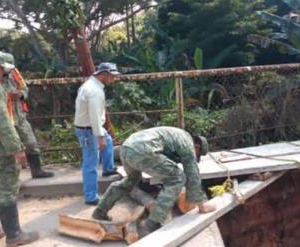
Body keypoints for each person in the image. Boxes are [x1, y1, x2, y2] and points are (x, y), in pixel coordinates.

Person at [92, 126, 216, 237]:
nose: (195, 157)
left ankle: (100, 211)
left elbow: (164, 162)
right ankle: (152, 224)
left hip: (126, 148)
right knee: (177, 178)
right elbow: (192, 173)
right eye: (197, 155)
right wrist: (201, 206)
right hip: (143, 150)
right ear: (197, 147)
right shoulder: (187, 144)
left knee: (130, 181)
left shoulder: (177, 135)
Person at [0, 50, 38, 246]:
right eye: (2, 69)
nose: (4, 74)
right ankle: (14, 235)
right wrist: (17, 149)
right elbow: (3, 122)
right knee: (7, 190)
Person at [74, 62, 120, 205]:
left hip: (91, 127)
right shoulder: (94, 91)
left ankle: (108, 168)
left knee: (109, 142)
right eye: (112, 76)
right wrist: (99, 137)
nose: (114, 79)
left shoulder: (92, 85)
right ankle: (91, 196)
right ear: (104, 74)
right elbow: (94, 116)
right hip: (89, 130)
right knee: (91, 163)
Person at [2, 53, 54, 179]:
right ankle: (7, 178)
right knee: (4, 150)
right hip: (3, 119)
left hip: (19, 116)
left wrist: (20, 95)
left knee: (31, 143)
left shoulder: (14, 72)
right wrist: (7, 97)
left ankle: (37, 171)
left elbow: (24, 88)